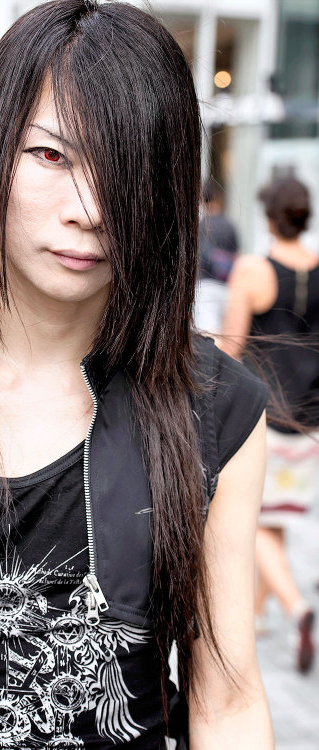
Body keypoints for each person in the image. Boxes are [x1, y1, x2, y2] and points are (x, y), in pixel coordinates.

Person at [0, 2, 273, 748]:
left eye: (125, 169)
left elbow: (226, 702)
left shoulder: (212, 407)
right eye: (52, 156)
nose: (91, 209)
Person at [222, 175, 319, 674]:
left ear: (268, 216)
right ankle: (257, 614)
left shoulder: (254, 270)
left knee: (256, 521)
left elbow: (232, 345)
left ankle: (296, 607)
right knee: (275, 517)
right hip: (310, 421)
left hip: (265, 416)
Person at [194, 178, 239, 334]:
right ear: (218, 198)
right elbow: (236, 256)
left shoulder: (199, 226)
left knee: (208, 336)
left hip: (204, 286)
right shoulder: (229, 224)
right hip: (226, 286)